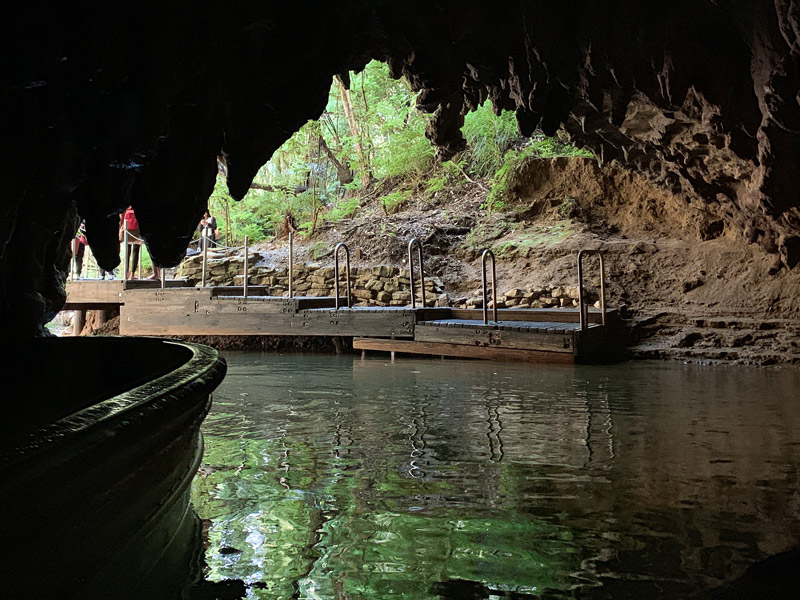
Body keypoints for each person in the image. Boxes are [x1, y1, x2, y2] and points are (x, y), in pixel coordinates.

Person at [119, 206, 142, 278]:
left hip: (127, 227)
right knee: (136, 251)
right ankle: (132, 273)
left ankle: (126, 272)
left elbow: (121, 215)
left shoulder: (126, 204)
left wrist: (121, 226)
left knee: (127, 251)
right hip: (137, 228)